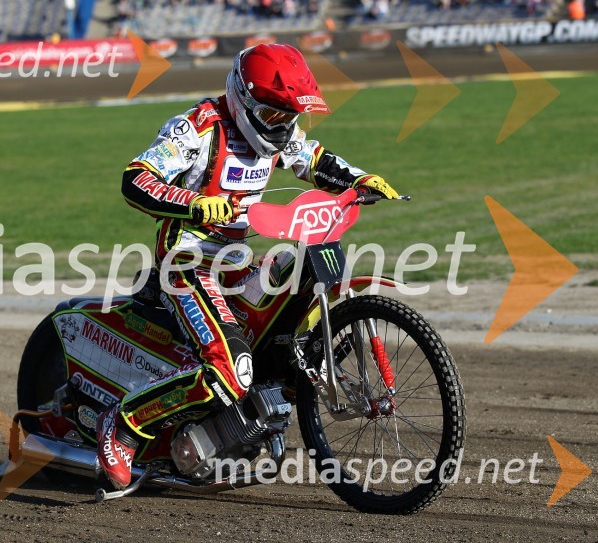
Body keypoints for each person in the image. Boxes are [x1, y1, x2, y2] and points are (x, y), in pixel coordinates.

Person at [97, 44, 399, 489]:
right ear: (243, 99)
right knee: (229, 369)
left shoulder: (280, 125)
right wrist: (196, 204)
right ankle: (123, 426)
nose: (282, 125)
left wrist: (358, 179)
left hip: (237, 262)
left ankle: (260, 410)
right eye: (274, 115)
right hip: (187, 262)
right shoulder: (197, 127)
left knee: (291, 297)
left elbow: (311, 159)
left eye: (288, 116)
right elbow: (136, 178)